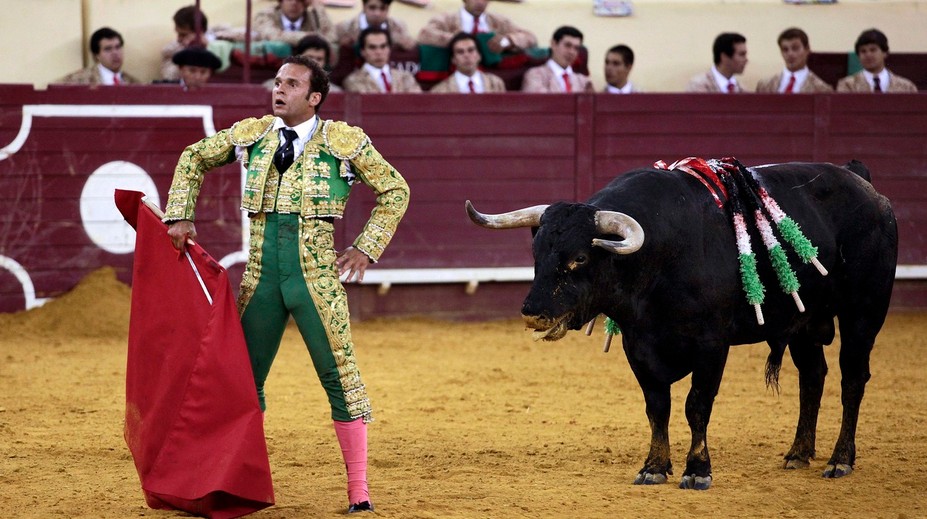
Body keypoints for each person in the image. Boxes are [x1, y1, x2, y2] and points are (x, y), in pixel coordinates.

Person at [162, 54, 410, 514]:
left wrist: (366, 246)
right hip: (260, 280)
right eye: (277, 82)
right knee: (241, 385)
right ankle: (236, 479)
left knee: (341, 381)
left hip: (316, 281)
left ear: (314, 97)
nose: (279, 90)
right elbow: (192, 157)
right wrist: (179, 213)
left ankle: (359, 492)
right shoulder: (252, 134)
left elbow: (396, 190)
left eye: (291, 85)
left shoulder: (343, 142)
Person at [417, 0, 537, 54]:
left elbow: (530, 38)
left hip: (489, 78)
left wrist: (507, 41)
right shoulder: (447, 19)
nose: (480, 2)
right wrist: (462, 42)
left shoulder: (499, 21)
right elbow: (424, 35)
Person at [343, 27, 422, 93]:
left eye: (383, 46)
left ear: (389, 49)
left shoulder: (405, 77)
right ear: (363, 52)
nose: (379, 52)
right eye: (372, 47)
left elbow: (417, 105)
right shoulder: (353, 80)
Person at [836, 28, 917, 93]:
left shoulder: (906, 87)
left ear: (885, 53)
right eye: (863, 51)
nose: (868, 55)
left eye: (873, 50)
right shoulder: (847, 85)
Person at [756, 28, 833, 93]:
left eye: (795, 48)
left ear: (807, 49)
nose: (790, 54)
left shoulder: (821, 89)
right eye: (785, 50)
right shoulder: (765, 85)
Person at [56, 27, 140, 85]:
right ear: (96, 55)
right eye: (108, 49)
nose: (115, 53)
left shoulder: (135, 84)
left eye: (118, 47)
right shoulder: (77, 81)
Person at [521, 26, 593, 93]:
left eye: (576, 48)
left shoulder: (584, 81)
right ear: (553, 44)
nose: (572, 52)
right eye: (567, 45)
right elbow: (538, 103)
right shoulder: (535, 75)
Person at [429, 32, 506, 93]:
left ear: (479, 56)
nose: (466, 55)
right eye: (460, 52)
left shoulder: (496, 83)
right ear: (453, 60)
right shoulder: (440, 90)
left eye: (471, 50)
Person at [263, 35, 342, 92]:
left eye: (319, 59)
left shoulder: (334, 92)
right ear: (297, 58)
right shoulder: (271, 87)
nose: (314, 62)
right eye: (309, 57)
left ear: (325, 62)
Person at [335, 0, 416, 51]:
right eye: (372, 8)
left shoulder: (399, 26)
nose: (377, 13)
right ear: (364, 7)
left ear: (388, 9)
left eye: (382, 8)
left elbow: (410, 46)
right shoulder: (344, 27)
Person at [160, 5, 213, 82]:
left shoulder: (214, 39)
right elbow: (169, 78)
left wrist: (207, 46)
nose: (178, 39)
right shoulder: (171, 50)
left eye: (183, 35)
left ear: (200, 33)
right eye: (178, 34)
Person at [253, 0, 336, 46]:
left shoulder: (313, 17)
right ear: (280, 2)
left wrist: (318, 6)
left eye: (300, 0)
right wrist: (311, 37)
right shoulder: (265, 15)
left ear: (306, 3)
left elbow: (331, 37)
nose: (294, 3)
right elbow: (272, 36)